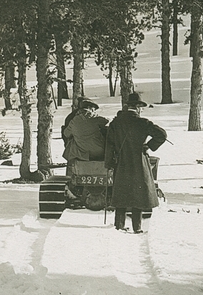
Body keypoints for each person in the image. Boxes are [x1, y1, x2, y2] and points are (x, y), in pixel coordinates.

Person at [105, 92, 167, 234]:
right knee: (138, 193)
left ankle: (119, 226)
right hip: (139, 161)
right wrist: (148, 146)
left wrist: (108, 164)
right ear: (138, 107)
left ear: (127, 107)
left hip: (121, 162)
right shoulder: (143, 123)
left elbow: (109, 145)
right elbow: (162, 135)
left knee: (121, 193)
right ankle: (137, 227)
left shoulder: (115, 123)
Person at [62, 99, 107, 164]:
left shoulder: (73, 120)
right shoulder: (96, 118)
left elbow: (66, 134)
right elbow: (107, 123)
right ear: (90, 108)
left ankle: (71, 163)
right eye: (94, 110)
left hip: (81, 154)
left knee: (72, 140)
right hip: (99, 152)